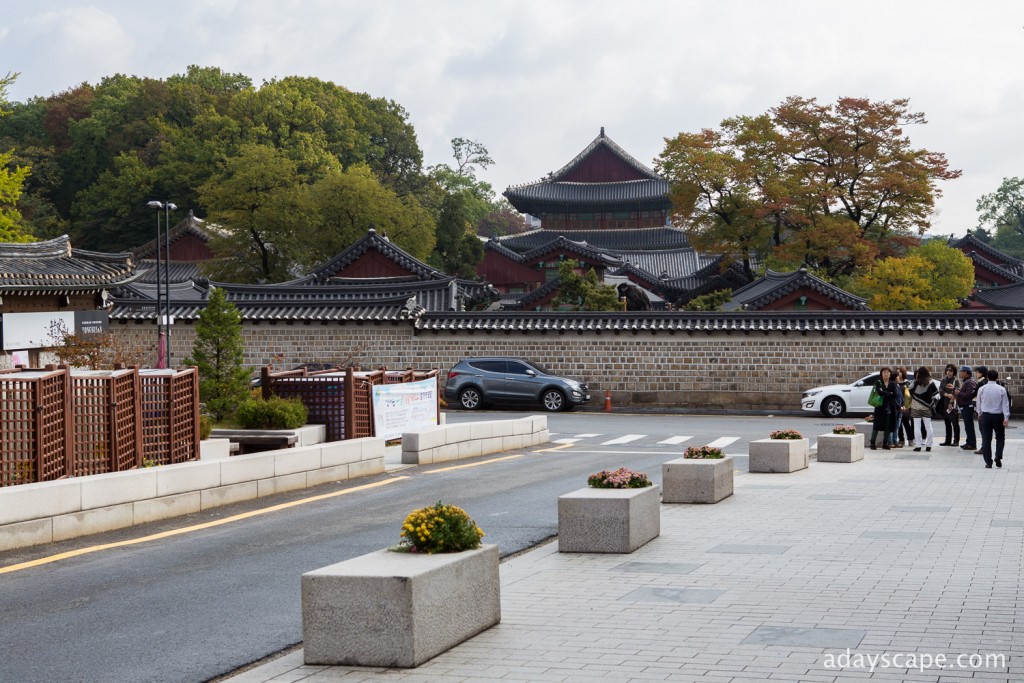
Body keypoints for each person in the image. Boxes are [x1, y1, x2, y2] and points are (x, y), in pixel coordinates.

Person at [977, 369, 1010, 468]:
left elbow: (979, 403)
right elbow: (1005, 404)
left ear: (987, 377)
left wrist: (979, 413)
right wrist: (1006, 417)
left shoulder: (982, 389)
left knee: (986, 439)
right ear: (997, 377)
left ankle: (988, 461)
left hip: (986, 415)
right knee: (1000, 437)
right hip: (998, 416)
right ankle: (998, 456)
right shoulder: (1001, 389)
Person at [869, 367, 899, 450]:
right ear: (881, 374)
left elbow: (895, 394)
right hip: (880, 407)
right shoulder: (878, 382)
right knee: (876, 425)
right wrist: (890, 393)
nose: (886, 374)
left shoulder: (893, 383)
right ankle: (872, 443)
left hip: (890, 407)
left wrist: (885, 393)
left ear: (890, 374)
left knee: (888, 425)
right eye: (884, 372)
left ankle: (885, 443)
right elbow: (879, 392)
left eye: (888, 372)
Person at [909, 367, 937, 452]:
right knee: (928, 426)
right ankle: (928, 446)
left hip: (915, 407)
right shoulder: (931, 382)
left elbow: (909, 391)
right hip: (927, 407)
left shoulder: (914, 382)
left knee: (917, 426)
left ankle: (918, 446)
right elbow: (936, 394)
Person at [938, 364, 961, 447]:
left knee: (955, 423)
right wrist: (947, 395)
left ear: (954, 371)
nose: (949, 372)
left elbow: (958, 391)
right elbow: (940, 390)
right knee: (947, 423)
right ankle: (947, 440)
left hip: (953, 404)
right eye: (947, 370)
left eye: (951, 370)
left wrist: (951, 399)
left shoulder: (956, 380)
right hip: (945, 403)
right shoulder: (943, 380)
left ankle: (956, 440)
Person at [956, 365, 978, 451]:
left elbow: (968, 395)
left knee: (969, 426)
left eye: (961, 372)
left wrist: (958, 393)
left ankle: (971, 444)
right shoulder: (967, 381)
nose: (960, 373)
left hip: (967, 406)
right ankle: (969, 442)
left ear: (965, 372)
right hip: (964, 406)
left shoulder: (970, 382)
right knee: (967, 426)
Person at [893, 367, 914, 447]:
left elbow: (908, 396)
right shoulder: (895, 383)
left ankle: (910, 439)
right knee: (899, 424)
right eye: (897, 372)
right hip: (898, 406)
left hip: (905, 406)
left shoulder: (907, 383)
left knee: (906, 423)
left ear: (903, 373)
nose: (899, 374)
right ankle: (901, 439)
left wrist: (907, 406)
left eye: (900, 372)